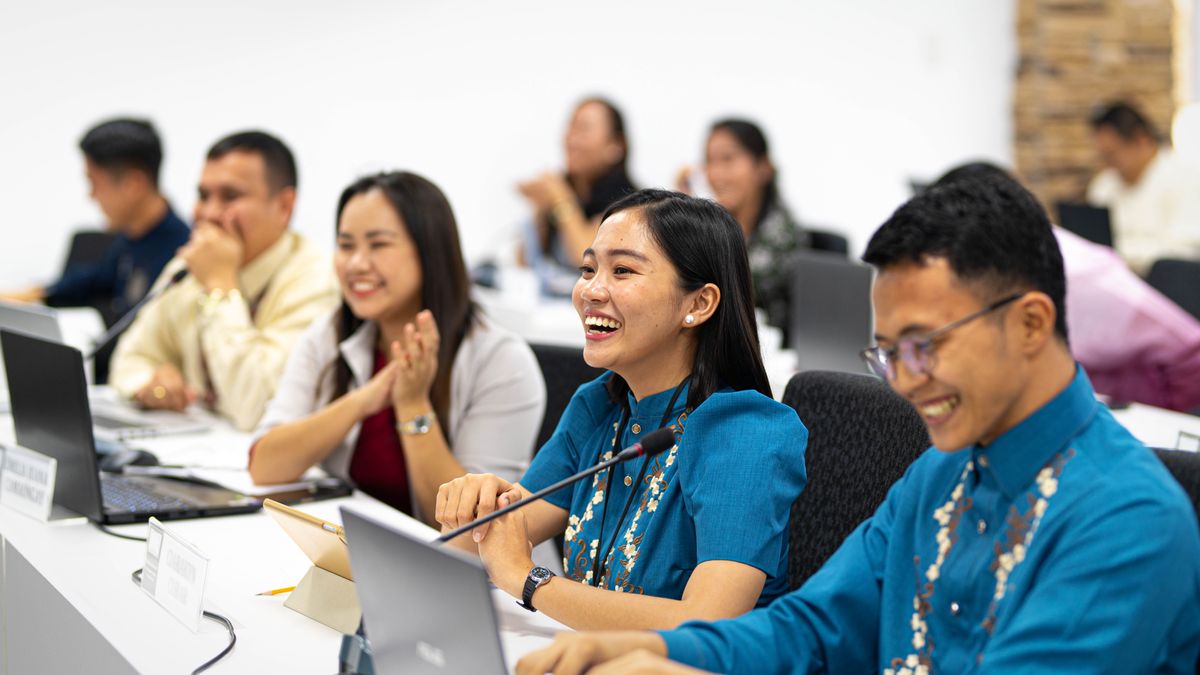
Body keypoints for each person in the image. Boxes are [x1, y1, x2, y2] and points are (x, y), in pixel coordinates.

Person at [517, 173, 1200, 674]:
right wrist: (654, 646)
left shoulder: (1127, 517)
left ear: (1028, 324)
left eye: (923, 345)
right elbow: (811, 627)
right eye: (887, 351)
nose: (903, 380)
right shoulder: (940, 472)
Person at [437, 190, 807, 632]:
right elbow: (499, 538)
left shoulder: (745, 431)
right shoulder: (598, 407)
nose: (591, 290)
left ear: (698, 304)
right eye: (588, 269)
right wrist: (478, 507)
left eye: (623, 271)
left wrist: (530, 581)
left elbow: (708, 622)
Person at [250, 171, 545, 521]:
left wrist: (412, 403)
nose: (357, 263)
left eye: (378, 245)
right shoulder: (329, 333)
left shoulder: (502, 359)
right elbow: (264, 466)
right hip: (354, 551)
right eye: (346, 246)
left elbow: (471, 528)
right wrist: (363, 400)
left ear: (429, 252)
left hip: (459, 570)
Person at [109, 131, 339, 431]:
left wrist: (220, 287)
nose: (210, 213)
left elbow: (258, 409)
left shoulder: (318, 280)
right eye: (203, 196)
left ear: (285, 206)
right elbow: (129, 359)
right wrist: (152, 384)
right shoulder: (189, 267)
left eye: (230, 197)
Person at [939, 162, 1200, 413]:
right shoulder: (996, 270)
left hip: (1137, 417)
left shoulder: (1085, 275)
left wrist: (1169, 439)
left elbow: (1192, 352)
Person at [1, 118, 190, 325]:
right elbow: (92, 280)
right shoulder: (133, 238)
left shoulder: (181, 256)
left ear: (134, 185)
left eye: (94, 183)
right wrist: (30, 295)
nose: (91, 196)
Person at [678, 119, 809, 330]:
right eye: (710, 161)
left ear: (763, 167)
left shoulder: (783, 233)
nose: (716, 173)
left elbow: (732, 289)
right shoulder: (718, 224)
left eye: (728, 159)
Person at [517, 97, 636, 296]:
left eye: (584, 129)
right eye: (571, 127)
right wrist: (540, 208)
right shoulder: (569, 193)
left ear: (616, 145)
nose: (571, 139)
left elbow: (584, 256)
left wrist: (560, 197)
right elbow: (525, 261)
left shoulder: (628, 206)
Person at [1087, 101, 1200, 274]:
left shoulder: (1186, 178)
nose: (1110, 165)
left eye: (1113, 154)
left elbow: (1185, 251)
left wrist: (1121, 253)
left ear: (1141, 139)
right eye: (1104, 157)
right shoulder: (1105, 185)